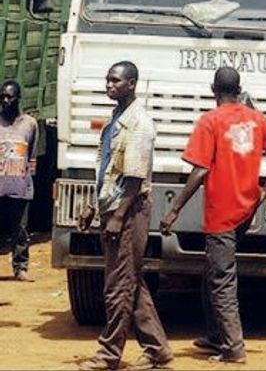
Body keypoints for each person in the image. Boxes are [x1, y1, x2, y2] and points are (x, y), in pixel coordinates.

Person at [159, 67, 266, 364]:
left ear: (212, 89)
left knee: (221, 278)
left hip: (222, 212)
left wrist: (175, 209)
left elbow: (200, 169)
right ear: (239, 88)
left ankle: (233, 347)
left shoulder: (210, 121)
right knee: (213, 271)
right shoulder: (255, 118)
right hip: (247, 207)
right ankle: (215, 336)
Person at [77, 62, 172, 371]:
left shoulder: (140, 124)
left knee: (118, 286)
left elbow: (133, 178)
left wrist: (118, 216)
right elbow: (108, 171)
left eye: (115, 81)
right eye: (107, 79)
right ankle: (157, 350)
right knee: (131, 281)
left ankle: (108, 354)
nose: (109, 85)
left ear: (131, 84)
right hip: (113, 207)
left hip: (130, 211)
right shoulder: (115, 120)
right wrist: (94, 206)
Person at [0, 80, 39, 282]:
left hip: (20, 187)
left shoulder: (29, 124)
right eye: (3, 97)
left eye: (10, 97)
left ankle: (20, 267)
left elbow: (32, 157)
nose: (6, 101)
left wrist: (28, 182)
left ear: (18, 98)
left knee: (20, 230)